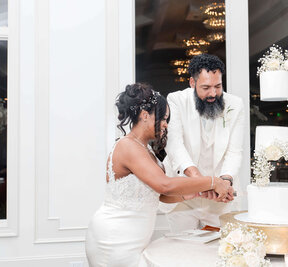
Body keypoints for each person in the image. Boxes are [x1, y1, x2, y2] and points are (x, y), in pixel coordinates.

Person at [85, 83, 234, 267]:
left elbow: (161, 195)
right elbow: (164, 185)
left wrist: (195, 193)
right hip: (115, 237)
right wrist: (212, 181)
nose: (165, 124)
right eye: (163, 118)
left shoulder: (145, 149)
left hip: (134, 239)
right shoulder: (127, 145)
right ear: (145, 115)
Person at [161, 54, 245, 233]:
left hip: (219, 197)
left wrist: (224, 182)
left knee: (219, 250)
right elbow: (174, 144)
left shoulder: (236, 105)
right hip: (183, 195)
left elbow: (234, 151)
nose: (213, 93)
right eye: (206, 87)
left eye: (218, 86)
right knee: (182, 251)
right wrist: (202, 182)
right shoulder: (176, 100)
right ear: (192, 82)